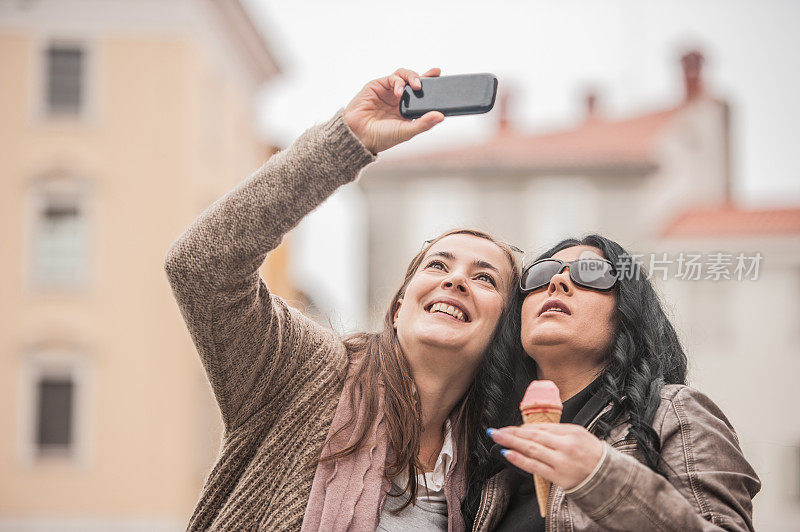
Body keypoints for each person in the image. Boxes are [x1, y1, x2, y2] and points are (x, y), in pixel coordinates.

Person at [163, 67, 522, 531]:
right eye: (438, 265)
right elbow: (200, 266)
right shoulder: (306, 371)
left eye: (485, 278)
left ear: (504, 328)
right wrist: (347, 140)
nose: (454, 281)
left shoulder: (491, 471)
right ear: (397, 308)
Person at [478, 235, 761, 531]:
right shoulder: (490, 447)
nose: (557, 282)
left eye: (591, 273)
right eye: (540, 274)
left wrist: (600, 477)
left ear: (627, 312)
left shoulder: (675, 412)